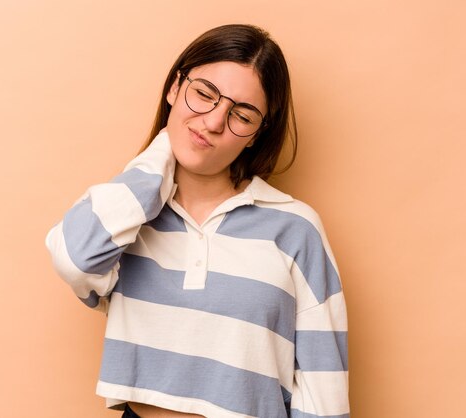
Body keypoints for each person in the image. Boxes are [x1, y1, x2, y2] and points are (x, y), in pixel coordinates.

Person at [46, 24, 349, 418]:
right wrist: (158, 160)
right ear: (175, 87)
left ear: (257, 134)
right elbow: (75, 259)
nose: (212, 122)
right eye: (203, 94)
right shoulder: (126, 216)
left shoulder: (295, 228)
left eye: (242, 115)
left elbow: (323, 389)